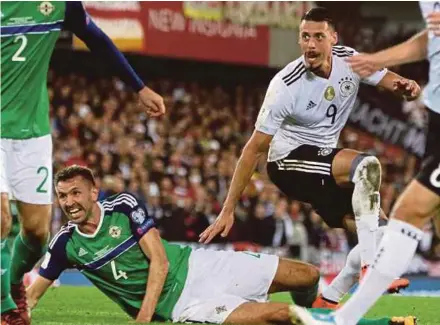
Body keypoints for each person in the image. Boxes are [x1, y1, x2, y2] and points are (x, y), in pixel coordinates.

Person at [199, 6, 418, 295]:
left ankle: (330, 297)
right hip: (288, 163)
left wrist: (405, 87)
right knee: (366, 166)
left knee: (380, 233)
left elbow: (387, 79)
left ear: (333, 39)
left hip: (323, 163)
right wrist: (228, 209)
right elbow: (252, 150)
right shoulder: (285, 86)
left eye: (318, 37)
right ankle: (371, 268)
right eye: (305, 37)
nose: (311, 44)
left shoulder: (348, 60)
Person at [26, 165, 415, 325]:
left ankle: (321, 315)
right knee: (282, 316)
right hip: (185, 305)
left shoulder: (124, 206)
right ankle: (380, 323)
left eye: (75, 193)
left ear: (93, 192)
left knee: (307, 275)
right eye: (62, 196)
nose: (69, 202)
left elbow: (159, 264)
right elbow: (31, 298)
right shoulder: (65, 244)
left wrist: (141, 321)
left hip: (199, 265)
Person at [0, 2, 165, 324]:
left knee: (35, 233)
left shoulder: (60, 4)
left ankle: (14, 282)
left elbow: (96, 38)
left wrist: (138, 87)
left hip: (30, 134)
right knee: (1, 220)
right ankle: (5, 306)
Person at [291, 3, 440, 325]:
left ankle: (342, 314)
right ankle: (334, 301)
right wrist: (378, 61)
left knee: (406, 212)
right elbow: (432, 37)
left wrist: (377, 61)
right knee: (414, 217)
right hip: (437, 114)